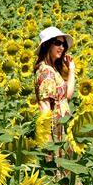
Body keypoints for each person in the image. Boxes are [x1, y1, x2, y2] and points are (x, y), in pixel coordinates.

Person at [34, 26, 76, 164]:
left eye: (63, 44)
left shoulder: (53, 70)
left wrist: (71, 69)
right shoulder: (46, 71)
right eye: (57, 43)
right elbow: (44, 106)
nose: (62, 47)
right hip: (55, 131)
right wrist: (48, 143)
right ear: (47, 45)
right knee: (58, 172)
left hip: (62, 130)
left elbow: (67, 97)